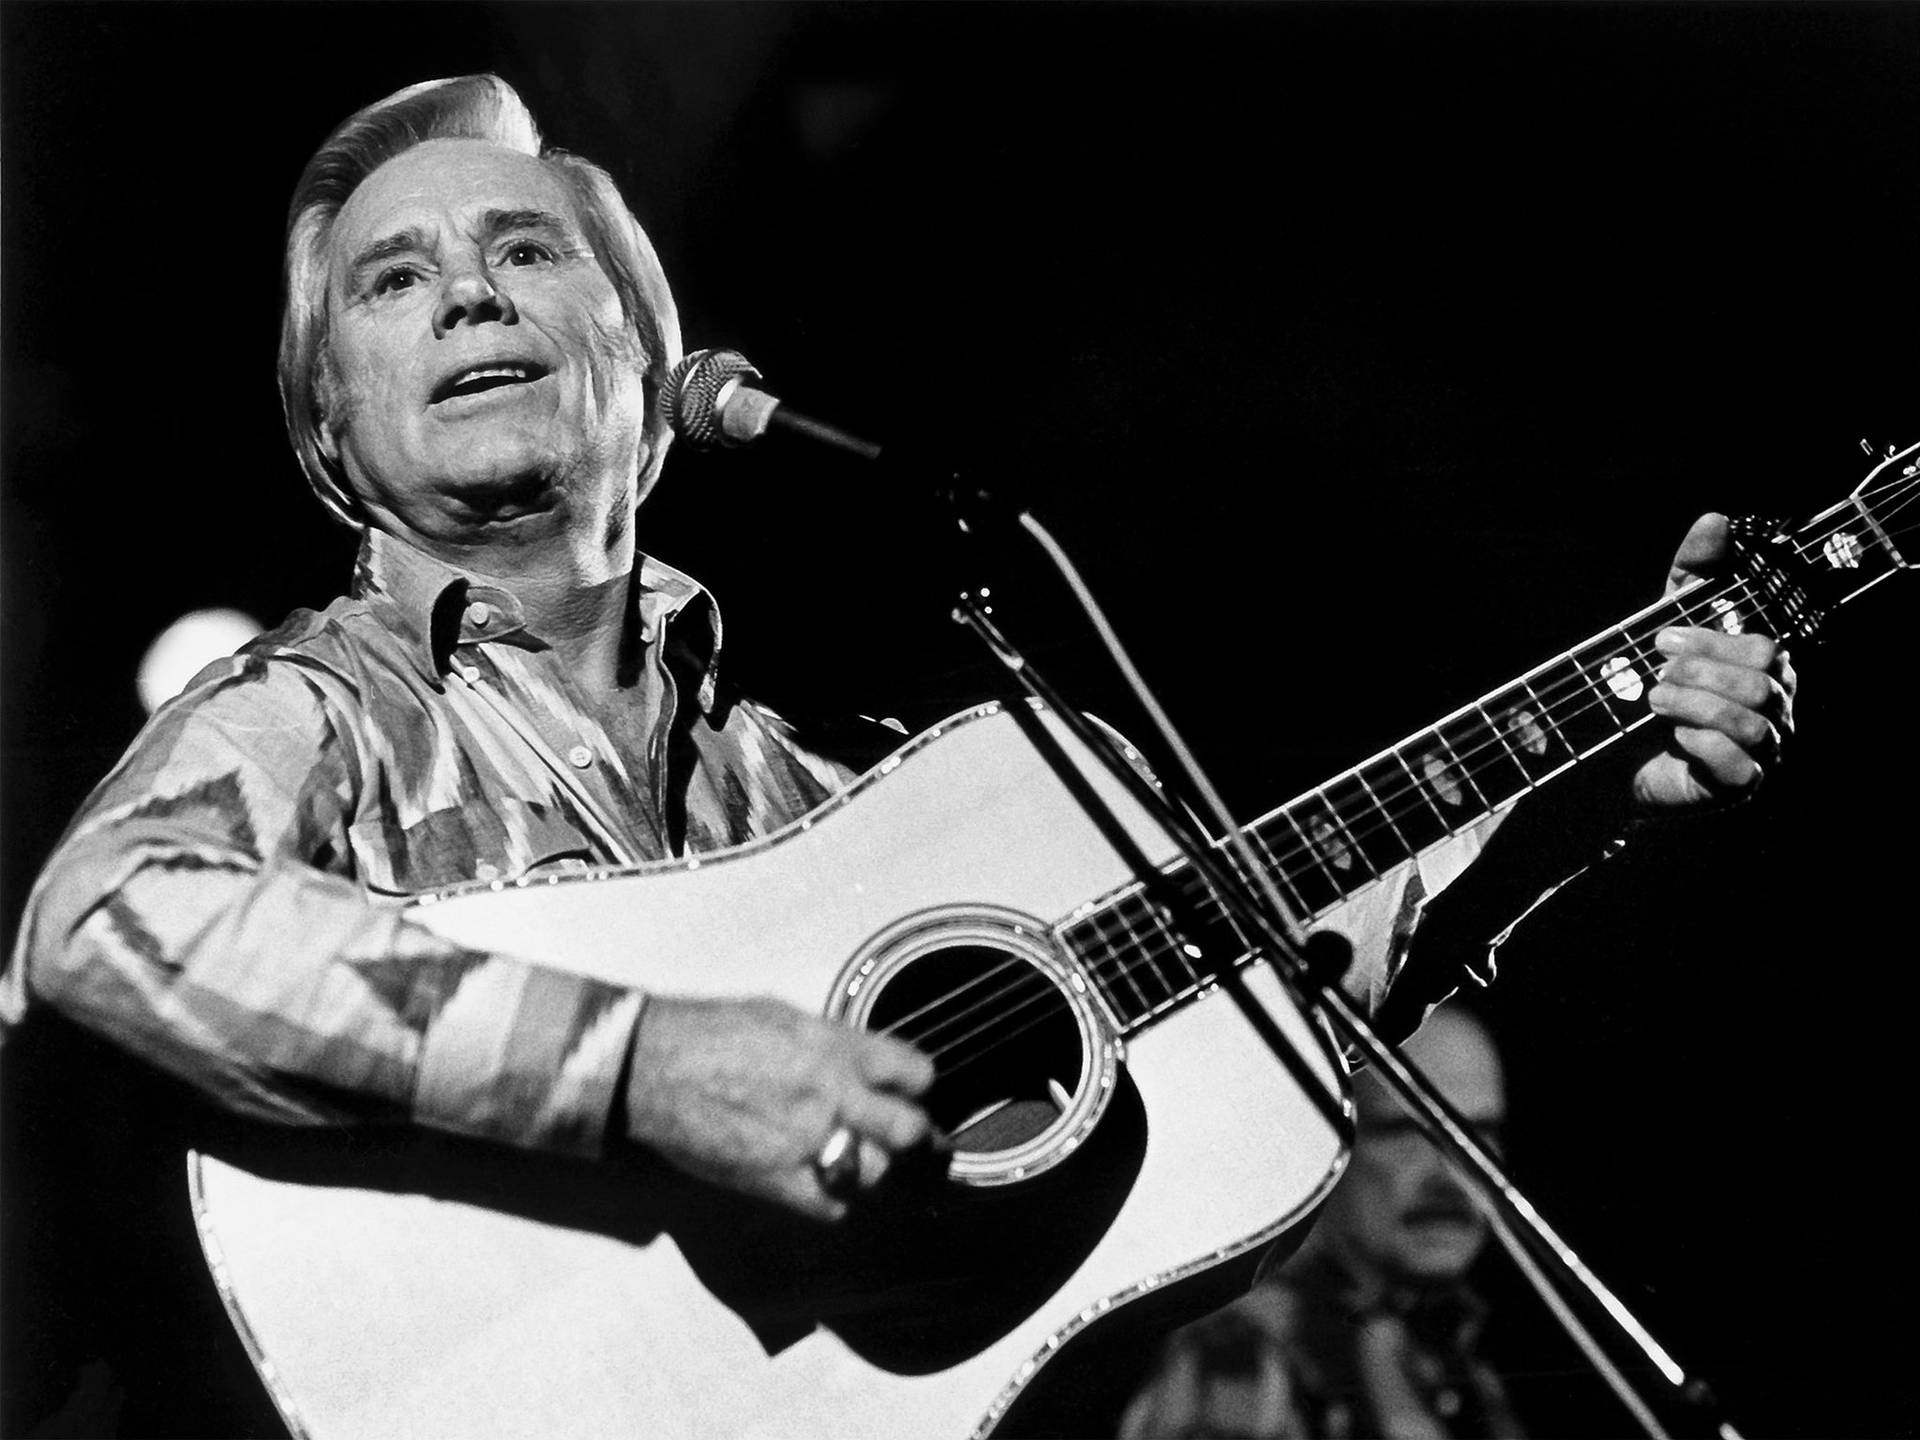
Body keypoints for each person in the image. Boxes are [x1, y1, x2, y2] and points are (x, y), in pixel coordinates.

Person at [0, 74, 1793, 1433]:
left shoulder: (809, 800)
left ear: (653, 364)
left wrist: (1570, 801)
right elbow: (104, 922)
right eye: (398, 279)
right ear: (335, 429)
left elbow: (1250, 1019)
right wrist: (642, 1064)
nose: (471, 294)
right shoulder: (329, 706)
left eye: (526, 249)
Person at [1118, 1004, 1527, 1439]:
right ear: (1327, 1145)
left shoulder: (1444, 1352)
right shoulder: (1243, 1352)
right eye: (1404, 1131)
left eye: (1480, 1133)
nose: (1454, 1174)